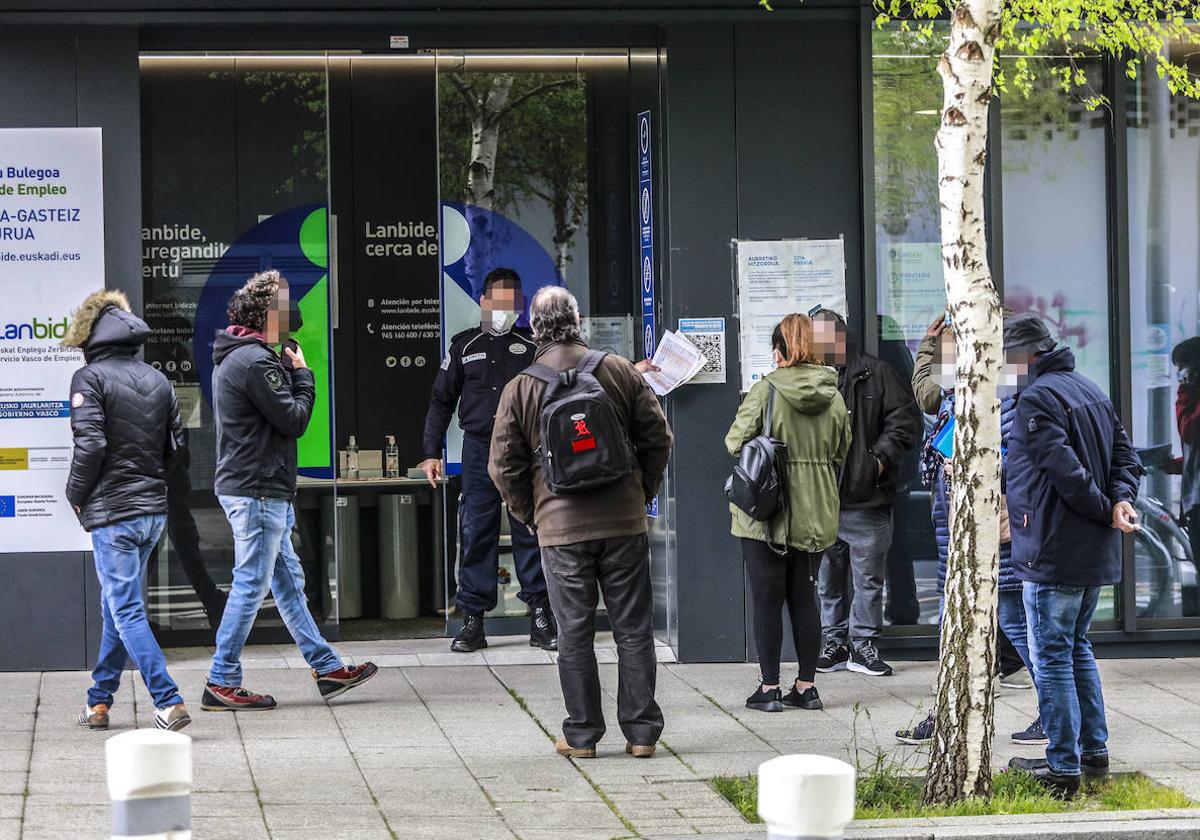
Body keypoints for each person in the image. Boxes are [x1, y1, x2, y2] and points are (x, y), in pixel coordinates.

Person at [489, 286, 672, 759]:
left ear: (534, 330)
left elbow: (502, 465)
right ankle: (642, 734)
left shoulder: (521, 387)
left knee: (573, 632)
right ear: (580, 321)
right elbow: (658, 438)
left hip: (560, 528)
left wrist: (531, 515)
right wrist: (640, 492)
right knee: (633, 629)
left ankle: (583, 736)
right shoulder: (619, 371)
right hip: (623, 521)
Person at [204, 270, 376, 711]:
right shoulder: (255, 361)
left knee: (287, 583)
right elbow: (295, 419)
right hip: (258, 488)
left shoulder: (242, 357)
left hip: (259, 486)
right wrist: (303, 374)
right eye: (284, 304)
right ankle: (221, 680)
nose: (292, 312)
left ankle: (326, 666)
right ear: (266, 314)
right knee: (251, 584)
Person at [1003, 314, 1142, 799]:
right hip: (1085, 550)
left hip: (1054, 547)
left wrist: (1108, 509)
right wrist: (1120, 501)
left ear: (1026, 357)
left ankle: (1062, 766)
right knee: (1076, 648)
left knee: (1053, 656)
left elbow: (1065, 473)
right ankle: (1093, 754)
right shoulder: (1088, 388)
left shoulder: (1037, 397)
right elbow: (1127, 457)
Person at [895, 313, 1043, 747]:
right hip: (955, 527)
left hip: (994, 527)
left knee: (1018, 624)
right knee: (955, 626)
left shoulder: (1006, 393)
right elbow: (926, 389)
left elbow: (1016, 460)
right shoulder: (959, 388)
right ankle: (948, 713)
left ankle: (1054, 714)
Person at [63, 289, 191, 732]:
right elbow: (178, 448)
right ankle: (99, 701)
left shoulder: (90, 380)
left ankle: (168, 700)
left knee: (126, 610)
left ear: (89, 338)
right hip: (152, 510)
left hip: (114, 511)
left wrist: (75, 493)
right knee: (117, 606)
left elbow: (91, 445)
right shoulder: (157, 379)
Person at [420, 267, 557, 653]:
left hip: (525, 449)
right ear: (483, 302)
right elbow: (440, 401)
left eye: (510, 301)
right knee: (476, 532)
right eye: (496, 301)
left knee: (530, 530)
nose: (503, 308)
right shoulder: (464, 345)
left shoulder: (534, 345)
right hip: (478, 448)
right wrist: (431, 452)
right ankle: (473, 620)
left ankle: (541, 617)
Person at [726, 314, 850, 713]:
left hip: (768, 511)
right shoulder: (834, 393)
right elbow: (841, 451)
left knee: (766, 600)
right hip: (816, 508)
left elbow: (734, 441)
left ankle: (768, 688)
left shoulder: (767, 389)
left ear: (778, 351)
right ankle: (807, 686)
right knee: (804, 597)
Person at [810, 308, 921, 677]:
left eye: (827, 337)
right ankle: (833, 642)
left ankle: (863, 646)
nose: (821, 345)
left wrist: (877, 461)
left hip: (867, 497)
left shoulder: (876, 373)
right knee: (828, 579)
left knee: (869, 579)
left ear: (842, 337)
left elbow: (905, 421)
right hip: (822, 501)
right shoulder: (806, 377)